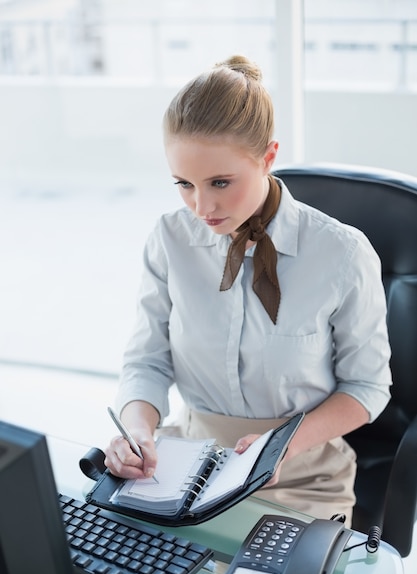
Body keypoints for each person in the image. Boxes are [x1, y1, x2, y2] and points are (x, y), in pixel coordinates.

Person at [104, 55, 392, 525]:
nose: (202, 206)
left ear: (268, 158)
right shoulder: (170, 239)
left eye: (220, 182)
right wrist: (137, 432)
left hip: (299, 473)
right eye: (184, 184)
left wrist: (281, 447)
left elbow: (367, 387)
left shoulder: (342, 254)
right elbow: (147, 361)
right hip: (183, 464)